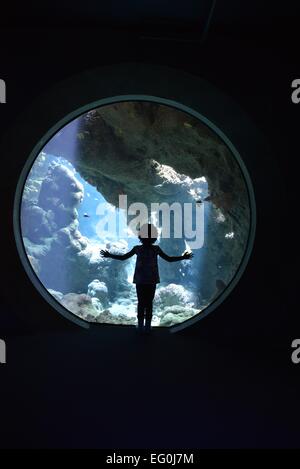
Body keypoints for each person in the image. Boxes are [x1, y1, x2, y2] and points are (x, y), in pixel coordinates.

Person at [100, 223, 193, 333]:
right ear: (154, 237)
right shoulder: (156, 249)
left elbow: (123, 258)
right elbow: (169, 259)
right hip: (151, 279)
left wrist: (109, 255)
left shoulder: (137, 249)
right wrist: (183, 257)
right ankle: (148, 327)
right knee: (149, 302)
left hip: (140, 279)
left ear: (140, 236)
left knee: (141, 302)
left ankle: (140, 326)